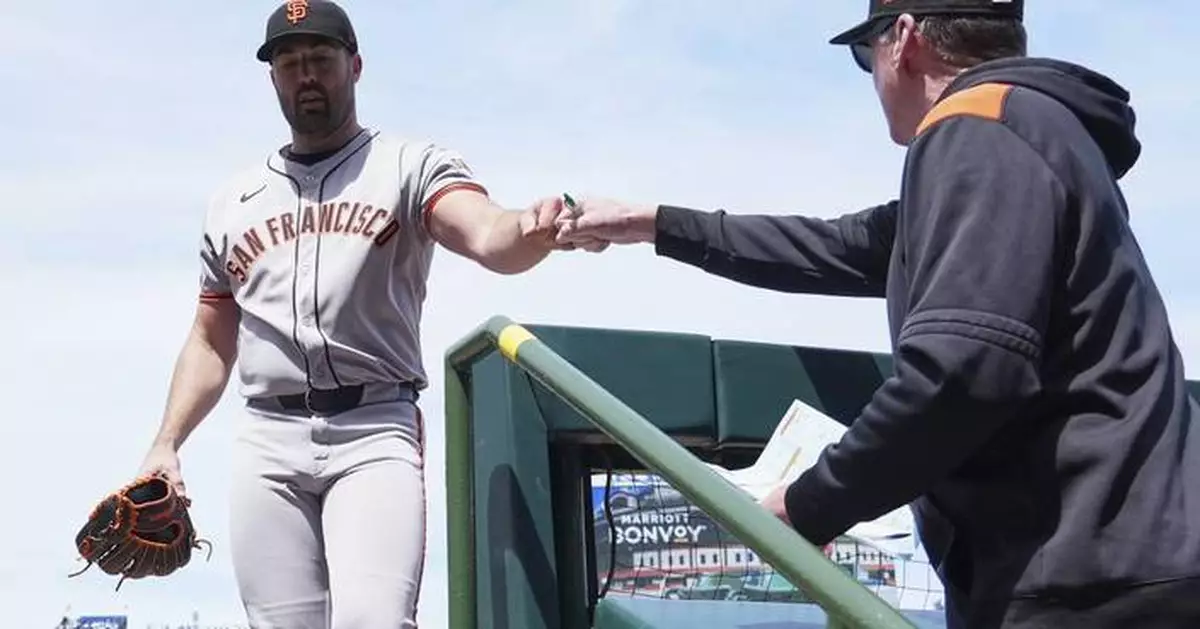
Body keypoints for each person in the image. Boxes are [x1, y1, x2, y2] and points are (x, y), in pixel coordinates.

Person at [554, 1, 1200, 627]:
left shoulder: (978, 129)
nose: (873, 77)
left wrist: (807, 504)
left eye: (867, 54)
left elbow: (964, 371)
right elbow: (844, 247)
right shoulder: (1032, 133)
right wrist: (653, 224)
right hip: (1122, 559)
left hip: (1089, 578)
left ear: (906, 38)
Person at [132, 1, 588, 627]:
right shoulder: (231, 202)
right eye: (290, 64)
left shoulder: (408, 166)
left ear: (356, 66)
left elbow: (487, 234)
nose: (306, 75)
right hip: (268, 437)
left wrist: (529, 232)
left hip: (373, 427)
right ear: (273, 79)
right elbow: (211, 343)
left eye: (321, 59)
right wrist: (166, 442)